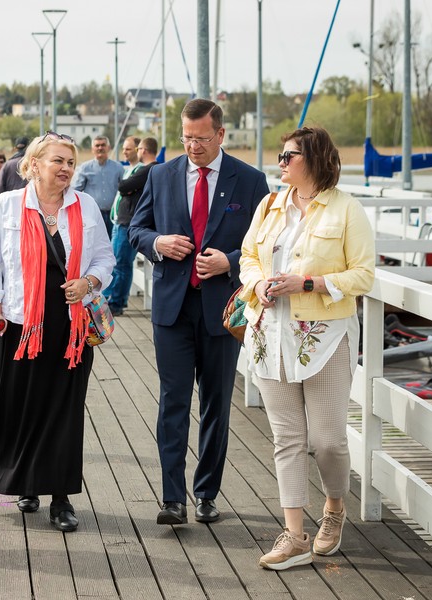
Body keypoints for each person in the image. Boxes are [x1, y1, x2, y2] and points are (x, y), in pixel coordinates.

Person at [0, 132, 114, 533]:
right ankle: (27, 484)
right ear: (33, 165)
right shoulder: (9, 205)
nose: (65, 169)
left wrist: (88, 282)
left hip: (70, 327)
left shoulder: (85, 206)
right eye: (57, 161)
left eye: (70, 162)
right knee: (22, 407)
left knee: (63, 412)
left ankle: (60, 498)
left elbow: (105, 258)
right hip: (19, 325)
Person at [128, 98, 269, 526]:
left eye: (202, 139)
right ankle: (173, 499)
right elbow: (136, 229)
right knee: (173, 402)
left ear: (220, 134)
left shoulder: (250, 180)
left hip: (222, 309)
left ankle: (206, 493)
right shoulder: (161, 175)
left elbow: (266, 244)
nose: (193, 146)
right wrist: (159, 243)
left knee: (216, 404)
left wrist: (230, 261)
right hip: (172, 308)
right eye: (186, 138)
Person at [239, 127, 374, 570]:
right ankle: (294, 535)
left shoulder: (347, 209)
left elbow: (363, 275)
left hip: (325, 337)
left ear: (314, 159)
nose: (280, 162)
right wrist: (259, 283)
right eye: (280, 155)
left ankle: (334, 507)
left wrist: (308, 283)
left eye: (289, 156)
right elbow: (248, 257)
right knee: (288, 439)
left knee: (328, 441)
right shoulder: (269, 205)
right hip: (270, 334)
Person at [103, 137, 159, 315]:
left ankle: (117, 303)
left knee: (121, 263)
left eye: (136, 148)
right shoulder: (139, 170)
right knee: (118, 262)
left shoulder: (147, 169)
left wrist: (128, 188)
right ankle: (113, 299)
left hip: (128, 222)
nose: (132, 152)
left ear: (143, 150)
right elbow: (126, 188)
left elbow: (123, 186)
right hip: (122, 221)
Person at [72, 135, 124, 238]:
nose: (100, 148)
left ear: (108, 148)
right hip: (93, 214)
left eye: (103, 145)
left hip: (113, 215)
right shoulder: (85, 168)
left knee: (112, 242)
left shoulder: (118, 168)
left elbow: (124, 188)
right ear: (92, 149)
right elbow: (76, 189)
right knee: (93, 241)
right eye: (97, 145)